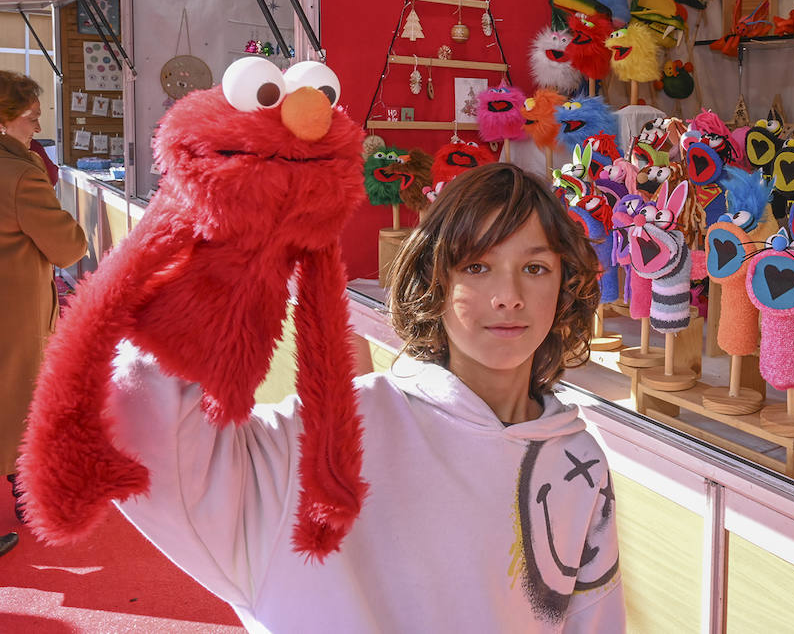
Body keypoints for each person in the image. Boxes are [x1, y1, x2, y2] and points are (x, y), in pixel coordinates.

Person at [108, 162, 625, 631]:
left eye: (535, 268)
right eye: (476, 266)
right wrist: (224, 236)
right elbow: (148, 433)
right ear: (433, 280)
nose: (508, 294)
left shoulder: (578, 458)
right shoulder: (331, 435)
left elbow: (593, 622)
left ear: (564, 287)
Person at [0, 71, 88, 558]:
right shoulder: (19, 173)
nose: (36, 127)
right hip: (11, 311)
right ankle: (32, 495)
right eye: (30, 118)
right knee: (17, 405)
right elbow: (67, 245)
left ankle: (28, 492)